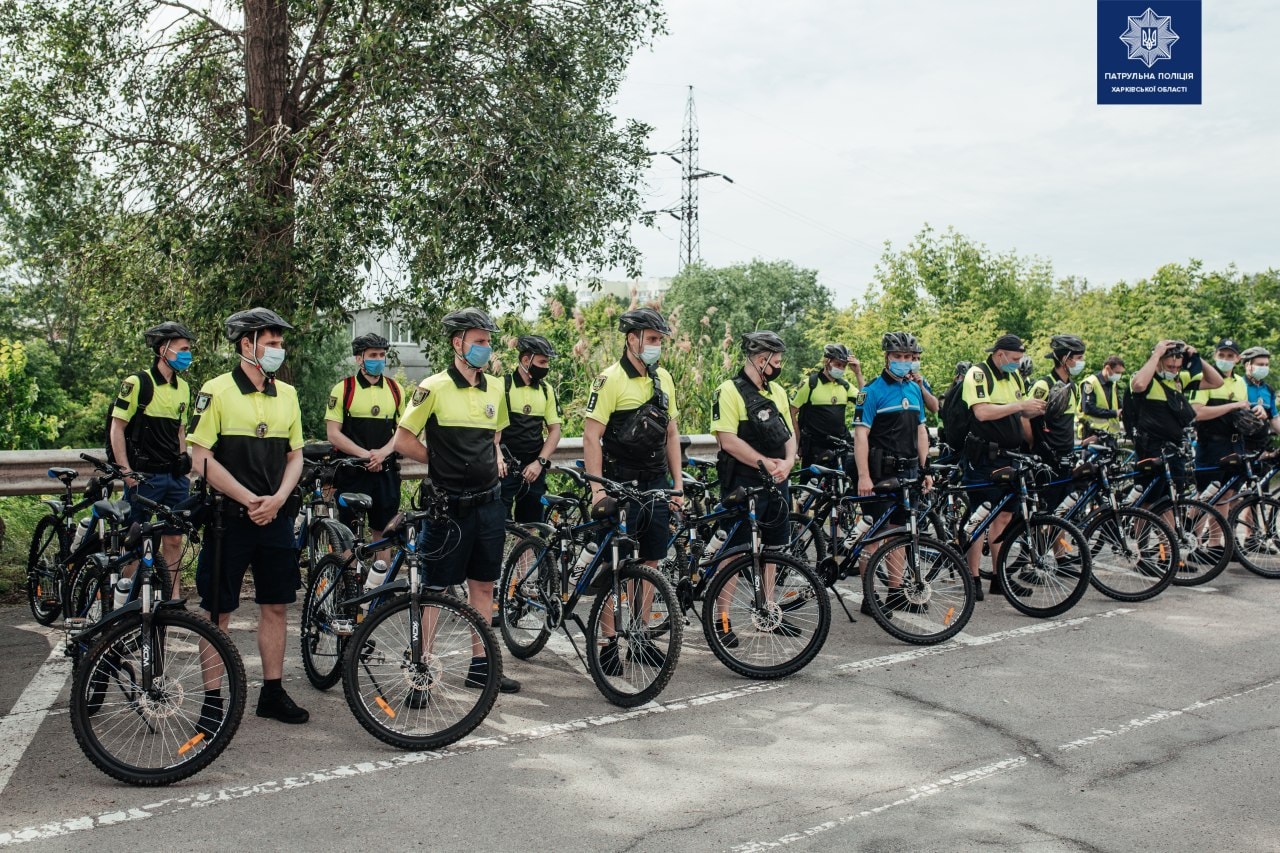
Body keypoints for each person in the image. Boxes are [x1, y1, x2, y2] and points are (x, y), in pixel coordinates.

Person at [189, 307, 308, 726]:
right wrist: (249, 500)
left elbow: (296, 456)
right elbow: (200, 456)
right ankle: (212, 701)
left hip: (275, 515)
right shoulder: (216, 390)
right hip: (229, 519)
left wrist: (276, 499)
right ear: (247, 344)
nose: (279, 350)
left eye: (280, 343)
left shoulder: (288, 394)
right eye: (272, 343)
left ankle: (272, 693)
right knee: (218, 611)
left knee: (275, 605)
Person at [394, 307, 520, 694]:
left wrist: (494, 455)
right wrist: (438, 460)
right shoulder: (432, 387)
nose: (486, 347)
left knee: (483, 586)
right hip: (447, 507)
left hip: (489, 504)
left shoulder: (496, 387)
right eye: (479, 341)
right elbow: (403, 438)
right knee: (434, 590)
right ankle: (421, 669)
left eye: (488, 341)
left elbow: (496, 435)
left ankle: (482, 667)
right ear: (458, 342)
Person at [582, 307, 684, 674]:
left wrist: (678, 485)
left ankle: (639, 636)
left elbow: (671, 435)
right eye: (652, 340)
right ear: (632, 338)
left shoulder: (664, 379)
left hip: (655, 482)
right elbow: (591, 436)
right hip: (618, 482)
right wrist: (597, 492)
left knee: (652, 561)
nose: (657, 346)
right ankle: (608, 642)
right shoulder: (609, 379)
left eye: (660, 341)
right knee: (618, 565)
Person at [709, 331, 797, 644]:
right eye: (776, 361)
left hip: (776, 482)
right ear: (761, 360)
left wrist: (788, 461)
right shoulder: (729, 391)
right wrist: (765, 463)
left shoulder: (779, 392)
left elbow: (789, 434)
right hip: (743, 482)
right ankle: (722, 621)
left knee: (772, 549)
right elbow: (727, 440)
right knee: (736, 551)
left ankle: (767, 612)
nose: (778, 365)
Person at [110, 321, 195, 596]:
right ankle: (127, 601)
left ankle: (172, 600)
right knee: (136, 543)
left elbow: (180, 428)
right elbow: (117, 428)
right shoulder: (137, 383)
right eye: (182, 349)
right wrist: (125, 471)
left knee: (173, 540)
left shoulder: (184, 387)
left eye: (189, 349)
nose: (187, 354)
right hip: (144, 477)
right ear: (163, 349)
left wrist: (183, 460)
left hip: (174, 478)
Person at [961, 334, 1046, 600]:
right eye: (1015, 359)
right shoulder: (978, 374)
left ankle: (999, 578)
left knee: (1005, 517)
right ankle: (973, 577)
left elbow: (1018, 413)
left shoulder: (1014, 377)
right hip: (984, 457)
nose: (1018, 364)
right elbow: (982, 412)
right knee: (979, 517)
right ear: (1000, 354)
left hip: (1011, 456)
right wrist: (1020, 405)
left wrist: (1036, 409)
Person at [853, 332, 933, 614]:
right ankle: (868, 596)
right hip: (879, 473)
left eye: (908, 357)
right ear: (887, 357)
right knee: (875, 537)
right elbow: (861, 436)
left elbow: (921, 431)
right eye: (898, 357)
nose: (904, 362)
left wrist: (926, 469)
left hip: (909, 471)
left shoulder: (913, 389)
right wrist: (863, 476)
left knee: (899, 535)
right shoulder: (871, 391)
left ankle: (895, 593)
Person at [325, 332, 404, 560]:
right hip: (353, 472)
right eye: (373, 355)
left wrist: (383, 454)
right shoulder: (343, 389)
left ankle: (379, 590)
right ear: (359, 358)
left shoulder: (395, 389)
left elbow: (402, 431)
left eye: (382, 355)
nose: (378, 359)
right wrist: (367, 456)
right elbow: (333, 434)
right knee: (348, 532)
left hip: (386, 472)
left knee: (383, 532)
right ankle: (349, 585)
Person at [1129, 339, 1222, 492]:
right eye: (1170, 366)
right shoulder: (1147, 379)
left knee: (1173, 500)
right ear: (1158, 362)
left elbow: (1216, 382)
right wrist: (1157, 353)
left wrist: (1197, 357)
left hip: (1174, 449)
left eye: (1178, 367)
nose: (1174, 371)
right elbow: (1138, 385)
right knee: (1149, 501)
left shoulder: (1179, 379)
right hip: (1150, 449)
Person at [499, 334, 562, 523]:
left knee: (531, 524)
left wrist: (540, 462)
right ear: (526, 360)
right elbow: (490, 429)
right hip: (505, 469)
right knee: (498, 524)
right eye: (542, 362)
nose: (546, 367)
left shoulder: (546, 390)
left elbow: (555, 430)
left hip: (534, 468)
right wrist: (498, 458)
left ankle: (526, 554)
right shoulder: (502, 385)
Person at [1028, 334, 1088, 512]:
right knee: (1047, 512)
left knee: (1062, 512)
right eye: (1078, 358)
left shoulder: (1074, 387)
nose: (1082, 362)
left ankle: (1058, 541)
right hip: (1047, 460)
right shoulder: (1044, 385)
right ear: (1065, 359)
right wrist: (1034, 444)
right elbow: (1024, 416)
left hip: (1066, 458)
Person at [791, 343, 860, 480]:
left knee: (839, 489)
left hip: (839, 448)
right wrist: (797, 443)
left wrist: (858, 373)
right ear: (827, 362)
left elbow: (865, 401)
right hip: (814, 448)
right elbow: (791, 412)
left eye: (843, 366)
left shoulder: (845, 386)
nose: (840, 368)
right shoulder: (810, 384)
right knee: (809, 492)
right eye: (837, 364)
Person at [1191, 338, 1251, 491]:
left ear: (1238, 359)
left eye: (1230, 356)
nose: (1225, 359)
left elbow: (1242, 410)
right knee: (1206, 496)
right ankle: (1192, 517)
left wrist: (1254, 412)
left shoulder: (1240, 382)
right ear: (1215, 356)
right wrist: (1233, 406)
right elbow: (1197, 413)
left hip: (1236, 444)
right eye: (1222, 355)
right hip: (1212, 445)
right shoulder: (1203, 379)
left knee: (1228, 494)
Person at [1079, 355, 1126, 442]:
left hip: (1110, 433)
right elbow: (1088, 408)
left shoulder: (1113, 383)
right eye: (1117, 372)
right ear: (1107, 368)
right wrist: (1114, 413)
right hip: (1093, 432)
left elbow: (1117, 403)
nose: (1119, 375)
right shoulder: (1090, 382)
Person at [1241, 347, 1280, 449]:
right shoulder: (1239, 385)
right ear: (1247, 365)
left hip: (1263, 443)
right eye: (1260, 364)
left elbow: (1274, 418)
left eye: (1266, 365)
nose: (1264, 367)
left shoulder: (1268, 389)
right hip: (1241, 443)